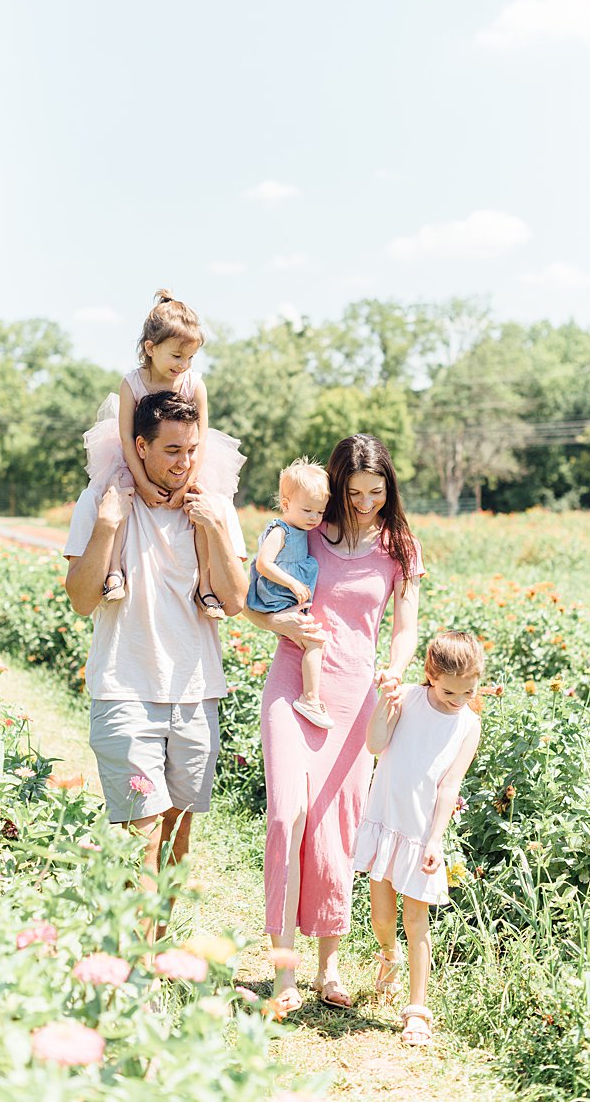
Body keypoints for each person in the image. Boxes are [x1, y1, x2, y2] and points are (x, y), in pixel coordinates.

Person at [243, 434, 423, 1014]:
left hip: (355, 701)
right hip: (293, 684)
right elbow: (252, 600)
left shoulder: (400, 548)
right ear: (337, 484)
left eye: (378, 492)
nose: (366, 502)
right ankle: (283, 973)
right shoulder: (307, 529)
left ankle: (329, 967)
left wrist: (395, 672)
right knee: (285, 815)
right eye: (355, 491)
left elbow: (403, 627)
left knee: (335, 829)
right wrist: (283, 629)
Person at [63, 391, 248, 927]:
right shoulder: (104, 498)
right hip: (125, 689)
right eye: (171, 450)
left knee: (176, 833)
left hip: (195, 694)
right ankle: (136, 964)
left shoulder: (213, 506)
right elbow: (80, 598)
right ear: (139, 446)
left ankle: (155, 945)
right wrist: (106, 525)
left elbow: (234, 602)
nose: (184, 461)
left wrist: (213, 526)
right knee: (142, 833)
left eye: (191, 449)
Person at [353, 630, 483, 1046]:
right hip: (385, 820)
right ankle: (387, 956)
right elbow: (375, 745)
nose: (459, 699)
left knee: (417, 920)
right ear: (430, 674)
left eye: (469, 691)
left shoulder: (468, 724)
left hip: (420, 833)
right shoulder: (406, 697)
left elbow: (449, 787)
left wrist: (435, 840)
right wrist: (383, 704)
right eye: (450, 692)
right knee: (381, 917)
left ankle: (417, 1011)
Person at [83, 290, 245, 619]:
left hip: (188, 455)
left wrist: (186, 486)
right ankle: (114, 570)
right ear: (150, 348)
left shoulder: (193, 385)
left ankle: (205, 584)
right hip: (136, 456)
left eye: (189, 359)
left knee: (201, 507)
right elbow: (128, 439)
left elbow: (200, 440)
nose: (182, 366)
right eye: (176, 357)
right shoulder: (133, 383)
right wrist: (142, 482)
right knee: (120, 494)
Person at [247, 458, 334, 730]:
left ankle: (309, 696)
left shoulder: (301, 528)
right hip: (275, 598)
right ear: (285, 505)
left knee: (311, 640)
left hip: (285, 599)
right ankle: (309, 698)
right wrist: (293, 584)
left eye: (319, 512)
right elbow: (263, 563)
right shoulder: (280, 530)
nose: (314, 518)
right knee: (315, 642)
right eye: (307, 510)